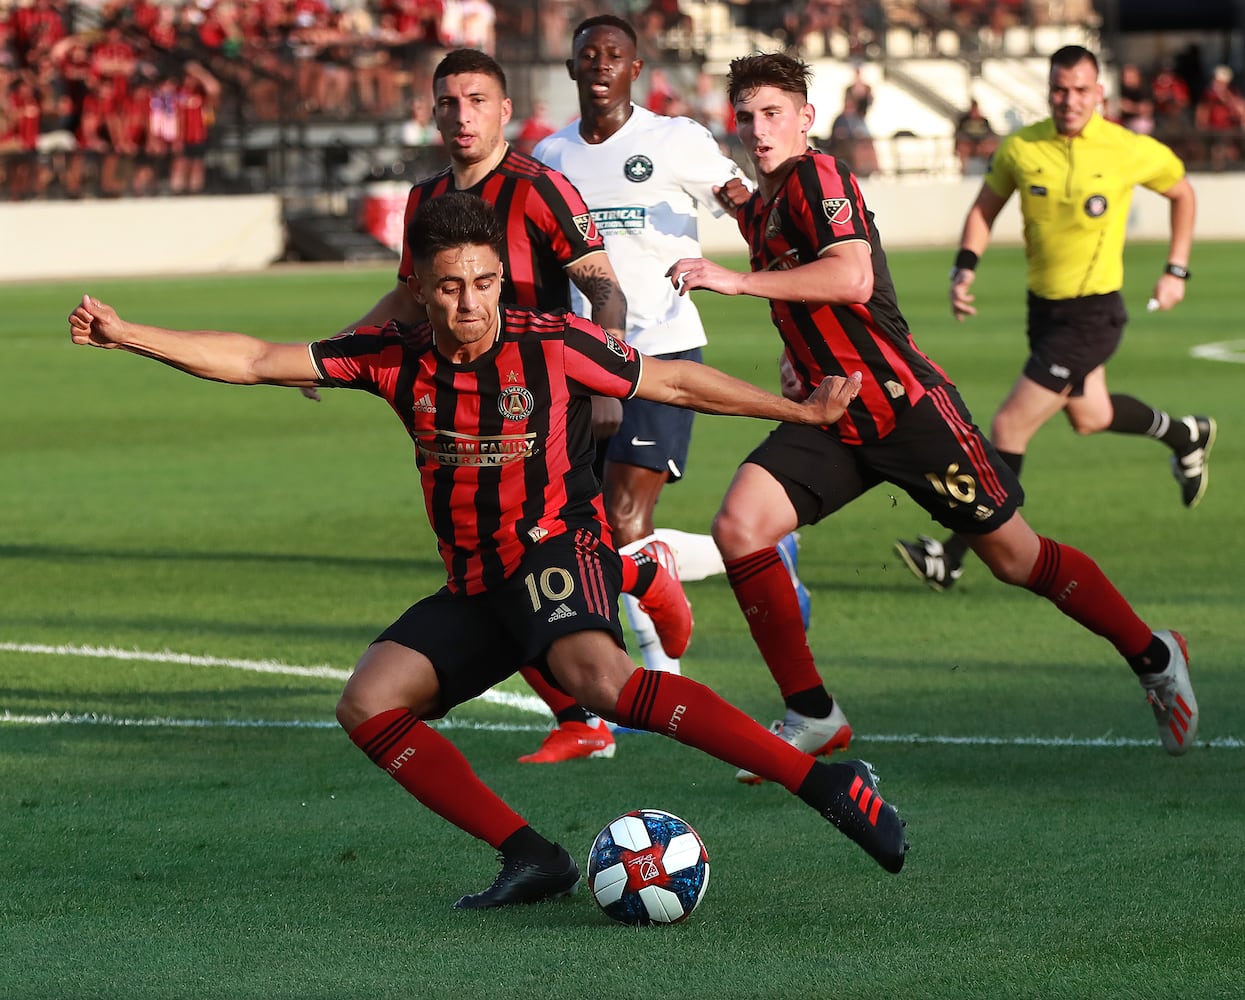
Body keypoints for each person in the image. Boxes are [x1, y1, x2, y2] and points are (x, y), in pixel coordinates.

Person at [67, 192, 908, 905]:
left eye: (484, 282)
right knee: (368, 704)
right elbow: (254, 358)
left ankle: (824, 784)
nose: (472, 302)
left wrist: (795, 413)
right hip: (477, 582)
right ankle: (531, 855)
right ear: (421, 290)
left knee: (598, 682)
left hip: (554, 547)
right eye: (450, 287)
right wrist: (127, 333)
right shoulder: (390, 359)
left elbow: (674, 380)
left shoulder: (549, 342)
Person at [666, 52, 1199, 771]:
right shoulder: (762, 206)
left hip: (905, 413)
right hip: (834, 414)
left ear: (805, 119)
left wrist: (732, 281)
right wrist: (798, 354)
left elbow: (852, 277)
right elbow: (799, 280)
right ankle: (812, 712)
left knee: (1016, 559)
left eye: (772, 114)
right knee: (739, 525)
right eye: (746, 117)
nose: (758, 130)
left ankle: (1153, 652)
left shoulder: (818, 177)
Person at [330, 47, 687, 765]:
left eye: (476, 101)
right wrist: (341, 346)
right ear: (432, 113)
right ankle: (587, 690)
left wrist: (602, 377)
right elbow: (408, 295)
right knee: (488, 560)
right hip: (465, 399)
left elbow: (604, 287)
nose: (461, 116)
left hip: (546, 393)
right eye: (448, 103)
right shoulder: (424, 199)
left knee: (524, 550)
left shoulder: (541, 188)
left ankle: (626, 592)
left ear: (502, 110)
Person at [534, 15, 811, 679]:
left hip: (661, 351)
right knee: (599, 527)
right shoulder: (549, 157)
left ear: (637, 70)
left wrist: (778, 278)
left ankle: (659, 676)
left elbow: (744, 203)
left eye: (615, 56)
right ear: (572, 69)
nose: (600, 66)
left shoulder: (674, 140)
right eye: (588, 55)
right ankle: (760, 552)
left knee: (626, 519)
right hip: (584, 359)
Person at [895, 45, 1211, 594]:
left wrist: (1176, 270)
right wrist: (962, 271)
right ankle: (1185, 435)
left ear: (1100, 95)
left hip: (1092, 315)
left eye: (1080, 90)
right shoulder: (1023, 146)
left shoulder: (1125, 148)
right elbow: (983, 209)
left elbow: (1183, 192)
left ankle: (951, 558)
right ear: (1049, 91)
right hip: (1043, 311)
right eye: (1060, 90)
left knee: (1009, 426)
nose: (1069, 100)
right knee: (1092, 415)